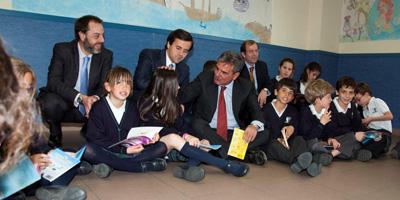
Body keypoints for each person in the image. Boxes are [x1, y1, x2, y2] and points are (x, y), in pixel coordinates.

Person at [139, 68, 249, 182]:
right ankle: (225, 165)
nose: (178, 87)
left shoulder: (172, 104)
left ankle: (185, 169)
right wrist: (185, 136)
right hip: (148, 148)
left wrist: (197, 139)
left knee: (204, 144)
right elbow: (160, 130)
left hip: (168, 149)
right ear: (165, 87)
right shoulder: (146, 102)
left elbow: (182, 125)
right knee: (173, 137)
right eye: (175, 84)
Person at [9, 57, 87, 200]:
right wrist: (28, 164)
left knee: (64, 161)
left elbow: (37, 144)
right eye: (20, 88)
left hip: (21, 172)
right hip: (7, 175)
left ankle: (43, 189)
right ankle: (42, 189)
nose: (26, 95)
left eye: (29, 89)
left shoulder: (23, 113)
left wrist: (53, 154)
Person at [179, 51, 269, 165]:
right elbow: (185, 95)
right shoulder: (205, 78)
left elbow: (256, 111)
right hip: (209, 130)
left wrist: (254, 125)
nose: (217, 74)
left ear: (235, 75)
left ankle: (219, 153)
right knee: (197, 124)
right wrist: (171, 84)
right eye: (217, 69)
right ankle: (239, 156)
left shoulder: (246, 86)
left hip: (234, 133)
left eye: (224, 72)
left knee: (264, 133)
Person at [38, 15, 113, 147]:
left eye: (103, 35)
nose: (102, 40)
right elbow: (53, 81)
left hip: (88, 107)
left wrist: (93, 98)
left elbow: (104, 85)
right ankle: (55, 136)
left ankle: (88, 147)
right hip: (65, 101)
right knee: (51, 102)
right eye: (96, 36)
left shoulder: (106, 55)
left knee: (75, 145)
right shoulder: (63, 50)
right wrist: (80, 97)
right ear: (82, 35)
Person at [84, 67, 168, 178]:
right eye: (119, 83)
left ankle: (112, 165)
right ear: (108, 87)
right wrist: (123, 150)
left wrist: (148, 138)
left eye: (128, 83)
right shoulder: (99, 107)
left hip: (131, 152)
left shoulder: (132, 107)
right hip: (109, 150)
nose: (124, 87)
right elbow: (95, 138)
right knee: (88, 150)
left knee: (162, 147)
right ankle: (140, 167)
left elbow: (138, 130)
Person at [261, 78, 320, 177]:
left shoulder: (293, 111)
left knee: (299, 139)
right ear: (276, 92)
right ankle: (304, 162)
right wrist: (279, 139)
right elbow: (265, 131)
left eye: (290, 93)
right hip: (272, 143)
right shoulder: (266, 110)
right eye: (284, 90)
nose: (286, 95)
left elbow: (296, 128)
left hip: (288, 142)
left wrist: (292, 128)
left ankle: (300, 163)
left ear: (293, 97)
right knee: (272, 145)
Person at [322, 76, 373, 161]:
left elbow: (358, 125)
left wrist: (369, 133)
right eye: (344, 92)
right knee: (352, 138)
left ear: (354, 94)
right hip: (333, 138)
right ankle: (333, 154)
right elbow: (330, 130)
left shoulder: (352, 106)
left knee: (365, 139)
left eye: (351, 93)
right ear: (337, 92)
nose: (347, 96)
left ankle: (344, 153)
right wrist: (354, 133)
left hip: (348, 138)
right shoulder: (330, 106)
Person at [133, 29, 193, 101]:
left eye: (185, 51)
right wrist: (167, 87)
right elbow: (140, 82)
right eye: (178, 48)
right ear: (168, 44)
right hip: (144, 104)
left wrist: (181, 105)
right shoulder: (150, 55)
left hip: (168, 109)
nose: (181, 54)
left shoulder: (184, 69)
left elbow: (184, 95)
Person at [298, 79, 334, 167]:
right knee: (313, 143)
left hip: (321, 143)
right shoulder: (306, 112)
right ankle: (332, 153)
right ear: (318, 100)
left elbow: (327, 133)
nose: (331, 100)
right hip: (308, 143)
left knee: (348, 137)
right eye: (328, 97)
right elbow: (308, 136)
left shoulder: (326, 111)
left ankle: (314, 160)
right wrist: (321, 123)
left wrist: (330, 138)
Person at [355, 82, 392, 157]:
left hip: (384, 132)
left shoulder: (377, 101)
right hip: (372, 132)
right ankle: (366, 151)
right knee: (358, 135)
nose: (358, 103)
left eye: (359, 100)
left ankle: (368, 150)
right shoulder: (364, 109)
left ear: (366, 94)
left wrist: (371, 119)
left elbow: (389, 116)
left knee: (381, 138)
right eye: (356, 101)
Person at [239, 40, 271, 108]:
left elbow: (268, 83)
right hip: (244, 105)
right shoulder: (239, 67)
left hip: (260, 104)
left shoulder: (262, 65)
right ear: (243, 54)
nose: (255, 54)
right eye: (251, 51)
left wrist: (265, 90)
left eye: (256, 51)